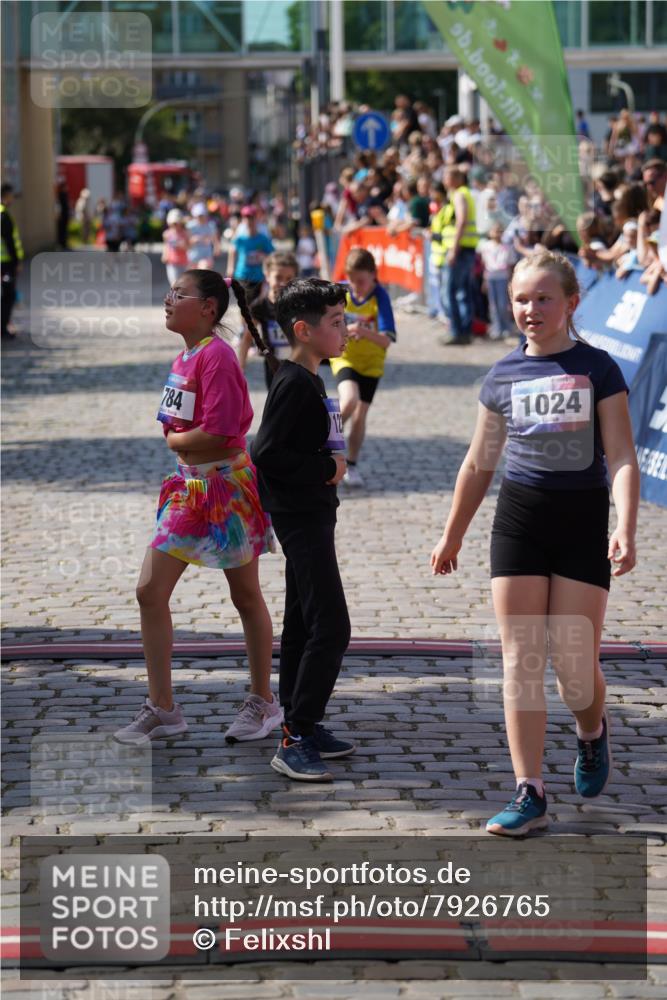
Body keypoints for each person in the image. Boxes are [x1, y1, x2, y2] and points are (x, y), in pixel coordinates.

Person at [430, 250, 639, 837]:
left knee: (575, 668)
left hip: (580, 523)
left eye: (544, 298)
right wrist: (453, 534)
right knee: (521, 661)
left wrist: (625, 526)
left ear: (572, 304)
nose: (530, 309)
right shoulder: (501, 375)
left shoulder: (598, 369)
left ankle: (592, 732)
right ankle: (529, 791)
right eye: (522, 298)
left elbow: (621, 455)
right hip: (519, 521)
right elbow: (478, 462)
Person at [114, 270, 281, 746]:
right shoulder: (184, 356)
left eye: (178, 294)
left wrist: (175, 439)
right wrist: (178, 441)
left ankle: (263, 701)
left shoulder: (218, 357)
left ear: (208, 307)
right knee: (149, 590)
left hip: (228, 489)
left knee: (245, 596)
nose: (168, 300)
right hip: (188, 490)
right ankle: (162, 708)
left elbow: (222, 430)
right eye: (170, 293)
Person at [251, 278, 354, 782]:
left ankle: (300, 722)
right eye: (336, 323)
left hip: (313, 514)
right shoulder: (294, 382)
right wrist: (326, 470)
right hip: (302, 518)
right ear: (303, 330)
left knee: (303, 623)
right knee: (332, 626)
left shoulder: (306, 375)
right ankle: (296, 737)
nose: (345, 331)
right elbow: (265, 453)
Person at [329, 248, 396, 487]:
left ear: (374, 275)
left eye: (361, 282)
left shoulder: (381, 297)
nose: (356, 287)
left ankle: (352, 464)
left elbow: (387, 340)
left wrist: (362, 331)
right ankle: (325, 442)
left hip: (372, 364)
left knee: (360, 416)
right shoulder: (340, 291)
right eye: (352, 281)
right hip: (345, 357)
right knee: (349, 401)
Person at [238, 251, 298, 390]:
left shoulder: (300, 305)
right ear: (267, 276)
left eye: (289, 278)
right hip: (273, 366)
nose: (283, 283)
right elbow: (247, 338)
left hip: (298, 363)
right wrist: (240, 368)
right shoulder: (259, 307)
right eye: (278, 277)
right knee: (277, 404)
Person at [437, 166, 479, 345]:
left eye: (447, 176)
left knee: (450, 291)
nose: (444, 179)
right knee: (462, 292)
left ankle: (456, 331)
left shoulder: (459, 194)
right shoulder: (463, 193)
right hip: (466, 248)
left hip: (460, 249)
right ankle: (464, 331)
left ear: (455, 178)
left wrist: (454, 249)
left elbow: (461, 220)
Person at [227, 205, 274, 300]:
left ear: (256, 219)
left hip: (258, 276)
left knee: (255, 306)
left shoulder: (263, 239)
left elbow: (272, 256)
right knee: (244, 304)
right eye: (246, 218)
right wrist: (230, 267)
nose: (249, 221)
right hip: (242, 274)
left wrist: (263, 257)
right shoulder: (239, 238)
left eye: (251, 218)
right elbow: (232, 251)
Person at [479, 222, 512, 340]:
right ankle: (496, 327)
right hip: (490, 277)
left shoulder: (507, 247)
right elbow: (485, 265)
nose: (497, 233)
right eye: (495, 230)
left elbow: (510, 265)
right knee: (493, 304)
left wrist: (510, 281)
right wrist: (484, 280)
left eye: (500, 231)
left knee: (503, 304)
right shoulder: (486, 246)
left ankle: (506, 327)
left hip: (502, 277)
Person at [1, 183, 23, 341]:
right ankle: (3, 328)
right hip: (6, 263)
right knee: (8, 295)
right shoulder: (4, 215)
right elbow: (9, 242)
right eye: (11, 195)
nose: (12, 199)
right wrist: (17, 263)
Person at [186, 203, 219, 270]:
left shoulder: (210, 225)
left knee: (204, 271)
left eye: (202, 215)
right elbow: (187, 241)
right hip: (193, 255)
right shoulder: (190, 226)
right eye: (198, 216)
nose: (200, 217)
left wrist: (216, 248)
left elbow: (215, 238)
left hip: (206, 255)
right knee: (193, 277)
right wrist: (194, 239)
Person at [161, 208, 189, 285]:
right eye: (173, 224)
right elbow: (166, 245)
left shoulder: (185, 233)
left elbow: (188, 247)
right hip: (172, 262)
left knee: (183, 284)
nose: (175, 226)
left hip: (183, 262)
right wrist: (164, 255)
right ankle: (174, 296)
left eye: (176, 223)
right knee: (174, 284)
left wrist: (181, 246)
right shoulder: (167, 234)